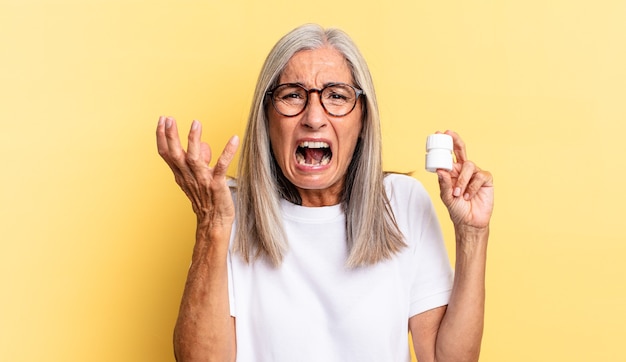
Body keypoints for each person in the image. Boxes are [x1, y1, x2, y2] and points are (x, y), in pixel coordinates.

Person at [156, 23, 494, 362]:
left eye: (336, 96)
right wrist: (211, 226)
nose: (314, 117)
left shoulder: (403, 203)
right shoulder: (229, 212)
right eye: (292, 95)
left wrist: (472, 235)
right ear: (267, 118)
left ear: (363, 120)